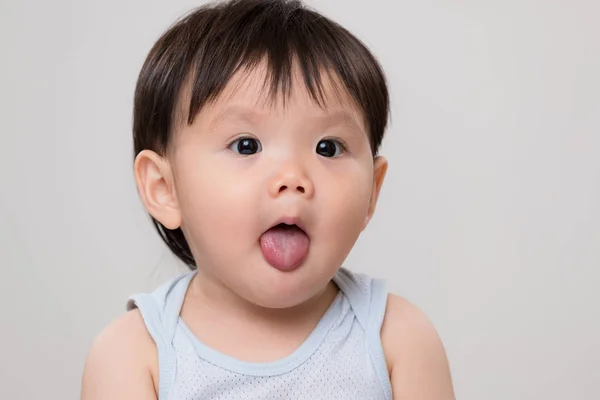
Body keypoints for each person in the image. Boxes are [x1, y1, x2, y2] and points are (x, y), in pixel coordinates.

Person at [81, 0, 454, 398]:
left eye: (327, 148)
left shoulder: (396, 338)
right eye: (246, 145)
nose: (292, 178)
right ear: (164, 188)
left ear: (371, 193)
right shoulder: (136, 354)